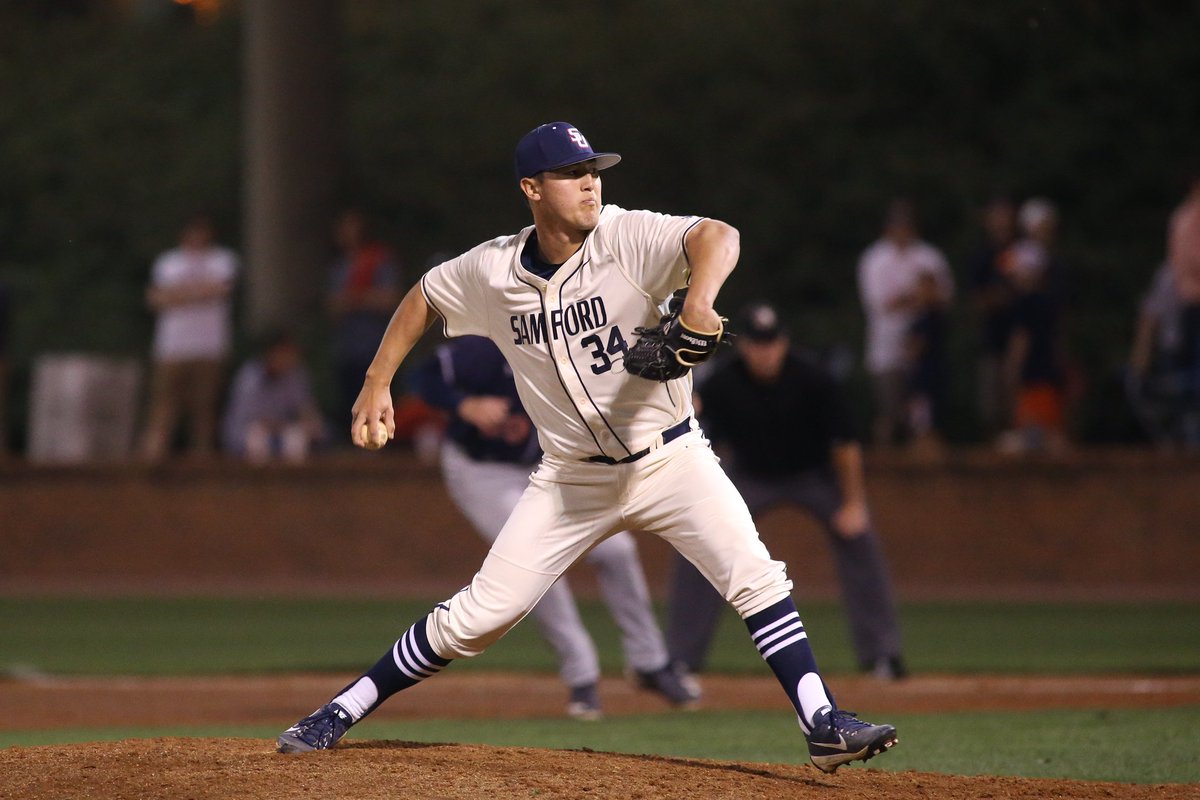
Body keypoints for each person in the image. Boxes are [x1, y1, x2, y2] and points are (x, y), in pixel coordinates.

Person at [277, 121, 898, 774]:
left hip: (672, 459)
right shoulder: (493, 269)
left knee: (754, 574)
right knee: (481, 618)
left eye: (594, 171)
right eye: (574, 174)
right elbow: (423, 297)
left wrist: (699, 303)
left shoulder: (625, 236)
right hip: (571, 480)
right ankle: (342, 709)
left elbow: (718, 235)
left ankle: (822, 722)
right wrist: (377, 381)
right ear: (532, 189)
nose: (590, 183)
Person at [410, 334, 698, 718]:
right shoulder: (487, 347)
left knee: (618, 551)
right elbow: (423, 378)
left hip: (552, 466)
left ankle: (649, 662)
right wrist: (464, 404)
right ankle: (582, 676)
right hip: (483, 471)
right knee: (533, 562)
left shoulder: (579, 348)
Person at [665, 302, 905, 684]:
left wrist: (854, 503)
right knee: (702, 541)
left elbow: (844, 444)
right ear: (743, 346)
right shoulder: (724, 380)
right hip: (749, 474)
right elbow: (687, 415)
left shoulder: (813, 378)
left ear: (784, 343)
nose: (765, 352)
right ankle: (680, 658)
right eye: (758, 344)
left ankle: (883, 654)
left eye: (772, 343)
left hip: (812, 474)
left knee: (859, 538)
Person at [139, 214, 238, 461]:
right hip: (171, 349)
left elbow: (221, 289)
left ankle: (201, 466)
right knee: (163, 409)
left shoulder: (222, 259)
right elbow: (154, 298)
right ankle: (151, 465)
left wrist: (177, 295)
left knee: (204, 411)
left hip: (208, 348)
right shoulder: (168, 262)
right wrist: (199, 293)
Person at [857, 199, 954, 448]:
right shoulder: (874, 259)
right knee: (890, 412)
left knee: (921, 417)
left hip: (925, 352)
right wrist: (918, 296)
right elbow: (881, 304)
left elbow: (944, 297)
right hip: (886, 350)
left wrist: (910, 298)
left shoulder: (929, 256)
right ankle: (883, 470)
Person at [997, 199, 1070, 455]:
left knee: (1041, 434)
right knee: (1045, 432)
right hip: (1046, 370)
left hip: (1035, 374)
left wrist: (1012, 367)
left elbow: (1022, 339)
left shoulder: (1029, 303)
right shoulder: (1045, 299)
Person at [328, 208, 405, 422]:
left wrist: (357, 298)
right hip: (347, 347)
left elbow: (391, 299)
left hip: (377, 346)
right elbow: (333, 305)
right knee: (348, 407)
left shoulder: (379, 260)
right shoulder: (340, 266)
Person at [221, 331, 327, 463]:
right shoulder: (249, 378)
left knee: (297, 436)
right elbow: (252, 421)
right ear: (271, 353)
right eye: (284, 354)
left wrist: (311, 423)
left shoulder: (295, 374)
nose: (289, 359)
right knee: (258, 437)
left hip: (280, 433)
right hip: (243, 436)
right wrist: (280, 426)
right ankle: (254, 481)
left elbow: (306, 408)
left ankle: (294, 481)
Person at [966, 195, 1021, 439]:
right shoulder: (981, 256)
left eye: (1006, 215)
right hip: (992, 339)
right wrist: (997, 297)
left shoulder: (1024, 252)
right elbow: (975, 299)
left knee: (1018, 402)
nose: (1002, 221)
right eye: (996, 215)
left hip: (1022, 338)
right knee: (990, 406)